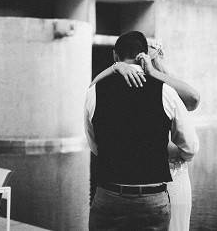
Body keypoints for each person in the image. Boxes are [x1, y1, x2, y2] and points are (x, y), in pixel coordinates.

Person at [85, 31, 199, 230]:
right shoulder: (165, 90)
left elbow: (95, 147)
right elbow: (190, 148)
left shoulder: (94, 92)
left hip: (108, 195)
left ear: (115, 55)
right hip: (152, 197)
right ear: (144, 55)